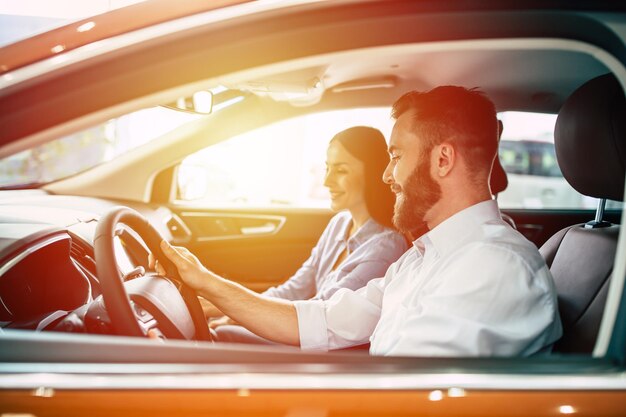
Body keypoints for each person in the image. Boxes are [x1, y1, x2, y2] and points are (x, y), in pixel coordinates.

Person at [153, 86, 563, 356]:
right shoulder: (423, 258)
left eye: (396, 156)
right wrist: (204, 281)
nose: (387, 176)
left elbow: (407, 395)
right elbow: (322, 321)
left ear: (442, 159)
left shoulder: (493, 267)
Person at [207, 126, 408, 343]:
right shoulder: (339, 223)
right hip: (301, 328)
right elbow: (297, 287)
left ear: (372, 173)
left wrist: (242, 312)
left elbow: (322, 311)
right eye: (327, 168)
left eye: (341, 171)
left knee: (220, 336)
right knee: (220, 329)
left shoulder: (387, 246)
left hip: (324, 345)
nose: (327, 181)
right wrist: (237, 312)